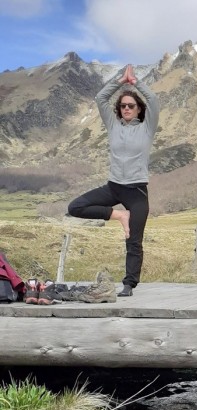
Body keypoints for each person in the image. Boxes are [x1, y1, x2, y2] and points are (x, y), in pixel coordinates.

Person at [68, 64, 159, 297]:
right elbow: (100, 98)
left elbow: (154, 100)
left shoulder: (147, 128)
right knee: (75, 207)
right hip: (113, 187)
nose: (126, 108)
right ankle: (118, 215)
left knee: (134, 240)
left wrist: (135, 82)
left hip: (137, 191)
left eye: (131, 105)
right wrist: (120, 82)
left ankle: (129, 284)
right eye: (123, 106)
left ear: (139, 109)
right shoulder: (113, 125)